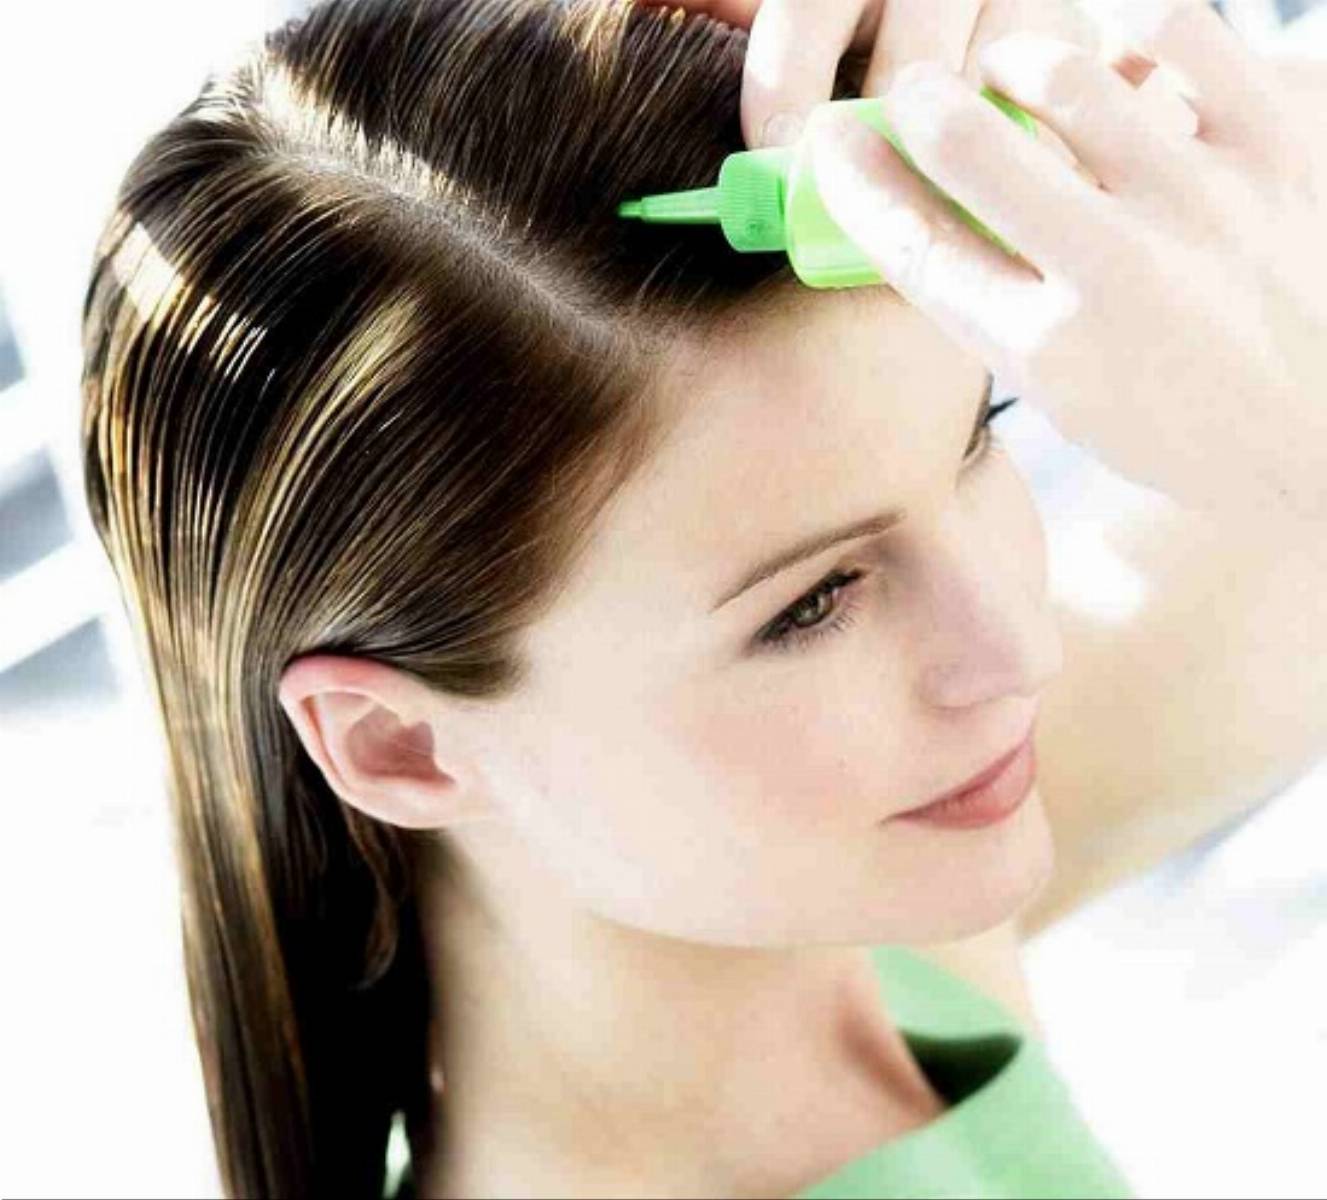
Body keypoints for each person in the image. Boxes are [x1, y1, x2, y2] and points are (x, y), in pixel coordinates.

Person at [78, 0, 1327, 1196]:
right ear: (397, 742)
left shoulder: (858, 922)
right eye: (813, 604)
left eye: (976, 436)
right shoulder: (880, 873)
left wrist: (1101, 99)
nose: (1019, 648)